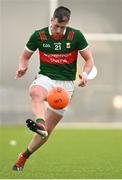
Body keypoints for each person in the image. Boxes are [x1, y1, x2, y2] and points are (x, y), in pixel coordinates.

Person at [12, 6, 94, 171]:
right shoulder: (39, 35)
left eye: (62, 27)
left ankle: (24, 156)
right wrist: (22, 67)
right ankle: (39, 123)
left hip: (65, 88)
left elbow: (89, 59)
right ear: (52, 20)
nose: (58, 30)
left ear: (67, 24)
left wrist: (85, 74)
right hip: (46, 78)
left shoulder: (75, 35)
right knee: (36, 92)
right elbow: (25, 56)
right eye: (56, 26)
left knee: (47, 133)